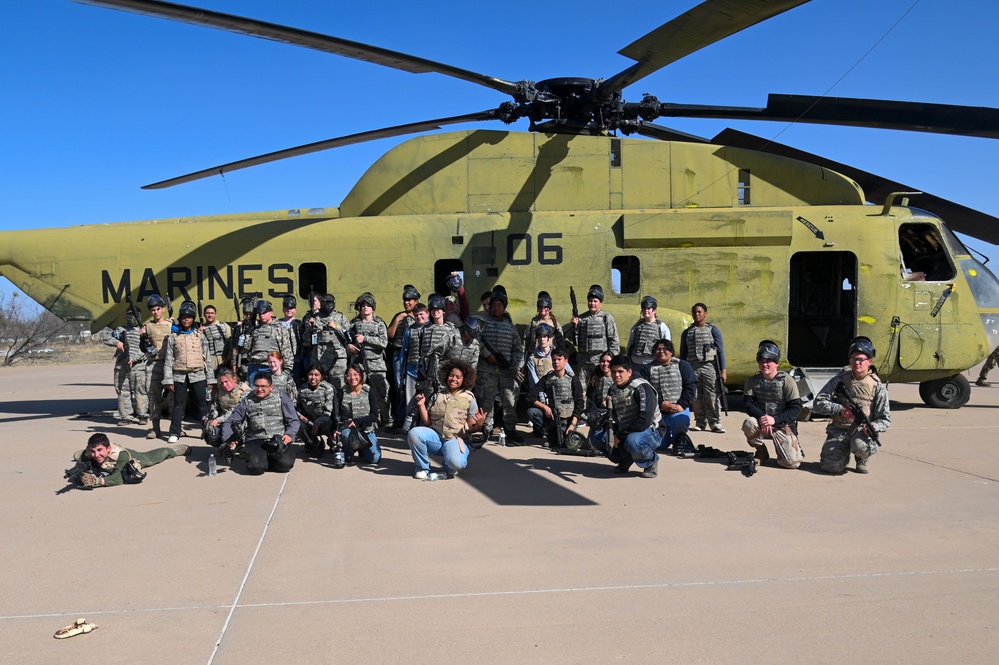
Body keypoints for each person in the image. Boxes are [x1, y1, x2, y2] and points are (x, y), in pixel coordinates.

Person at [814, 337, 891, 474]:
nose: (857, 363)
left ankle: (861, 458)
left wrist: (874, 426)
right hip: (839, 429)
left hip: (862, 432)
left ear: (870, 361)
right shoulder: (839, 380)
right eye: (854, 359)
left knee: (861, 446)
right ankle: (843, 455)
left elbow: (885, 419)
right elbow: (818, 403)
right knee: (830, 467)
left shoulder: (877, 385)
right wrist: (839, 409)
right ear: (849, 360)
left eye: (861, 359)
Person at [407, 358, 486, 479]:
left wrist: (479, 424)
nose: (454, 379)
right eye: (451, 375)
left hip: (455, 439)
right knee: (414, 433)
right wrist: (421, 405)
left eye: (458, 377)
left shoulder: (469, 398)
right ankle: (422, 467)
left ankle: (450, 465)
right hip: (436, 438)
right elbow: (427, 422)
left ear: (465, 379)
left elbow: (471, 429)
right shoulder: (437, 395)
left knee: (456, 464)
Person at [221, 372, 300, 474]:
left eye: (263, 386)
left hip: (278, 438)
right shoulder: (247, 400)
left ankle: (268, 458)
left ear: (271, 387)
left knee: (285, 466)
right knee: (255, 468)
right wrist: (228, 439)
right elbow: (232, 420)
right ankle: (260, 458)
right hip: (256, 439)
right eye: (257, 386)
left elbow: (293, 420)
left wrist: (289, 434)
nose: (259, 389)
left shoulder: (281, 397)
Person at [741, 340, 804, 468]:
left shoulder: (787, 381)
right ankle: (761, 451)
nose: (764, 364)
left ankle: (790, 449)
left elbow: (796, 409)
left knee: (791, 464)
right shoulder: (752, 381)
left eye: (768, 361)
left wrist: (775, 420)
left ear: (776, 363)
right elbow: (748, 404)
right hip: (763, 423)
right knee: (749, 424)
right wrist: (762, 418)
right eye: (761, 361)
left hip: (782, 424)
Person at [597, 355, 662, 478]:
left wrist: (619, 436)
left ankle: (650, 462)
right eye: (614, 372)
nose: (617, 375)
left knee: (633, 441)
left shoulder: (642, 388)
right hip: (626, 428)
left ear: (629, 372)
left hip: (651, 430)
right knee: (597, 436)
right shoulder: (613, 389)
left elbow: (645, 421)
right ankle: (626, 458)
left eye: (621, 371)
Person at [475, 289, 525, 443]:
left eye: (499, 305)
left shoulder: (510, 327)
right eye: (494, 305)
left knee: (509, 401)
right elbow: (476, 340)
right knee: (486, 400)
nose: (496, 308)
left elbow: (518, 348)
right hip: (487, 370)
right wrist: (486, 354)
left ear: (504, 307)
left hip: (506, 371)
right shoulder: (483, 323)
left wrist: (515, 366)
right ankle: (487, 429)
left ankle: (510, 429)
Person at [163, 301, 214, 443]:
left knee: (202, 404)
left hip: (198, 374)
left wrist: (210, 379)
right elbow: (168, 359)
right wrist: (168, 379)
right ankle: (175, 432)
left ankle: (207, 430)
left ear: (193, 319)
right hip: (179, 375)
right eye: (184, 317)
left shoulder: (200, 336)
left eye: (189, 317)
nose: (186, 319)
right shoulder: (173, 337)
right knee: (179, 405)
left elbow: (207, 358)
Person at [67, 433, 188, 489]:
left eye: (100, 450)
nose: (96, 454)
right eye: (93, 451)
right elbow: (79, 469)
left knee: (152, 458)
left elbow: (118, 479)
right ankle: (82, 455)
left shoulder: (121, 455)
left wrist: (96, 481)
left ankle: (175, 450)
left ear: (108, 448)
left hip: (132, 458)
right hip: (105, 462)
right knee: (85, 459)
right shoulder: (89, 452)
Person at [640, 338, 696, 453]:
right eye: (658, 349)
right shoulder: (647, 369)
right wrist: (660, 404)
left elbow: (690, 387)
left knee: (679, 422)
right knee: (659, 445)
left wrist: (681, 405)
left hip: (677, 410)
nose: (661, 352)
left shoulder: (682, 365)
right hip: (657, 413)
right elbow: (644, 391)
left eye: (665, 349)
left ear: (671, 352)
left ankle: (678, 439)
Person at [679, 302, 727, 433]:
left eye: (699, 312)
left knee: (712, 395)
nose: (697, 314)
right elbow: (683, 353)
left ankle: (715, 422)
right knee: (695, 396)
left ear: (705, 313)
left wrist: (723, 371)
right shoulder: (687, 332)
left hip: (709, 366)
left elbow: (720, 351)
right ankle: (700, 422)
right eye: (694, 312)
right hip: (692, 367)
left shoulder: (713, 330)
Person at [527, 347, 585, 448]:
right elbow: (530, 396)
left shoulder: (573, 379)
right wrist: (545, 407)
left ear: (566, 361)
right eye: (554, 359)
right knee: (532, 412)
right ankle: (549, 434)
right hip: (552, 418)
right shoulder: (547, 378)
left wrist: (572, 424)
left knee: (567, 443)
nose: (556, 362)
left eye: (559, 359)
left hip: (568, 420)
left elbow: (580, 404)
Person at [564, 284, 619, 387]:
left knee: (601, 388)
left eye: (595, 301)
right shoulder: (581, 319)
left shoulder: (606, 318)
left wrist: (611, 359)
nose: (592, 303)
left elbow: (614, 340)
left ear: (600, 303)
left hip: (600, 362)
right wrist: (573, 326)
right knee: (582, 389)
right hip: (583, 361)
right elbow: (571, 337)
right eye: (590, 301)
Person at [348, 292, 390, 426]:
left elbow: (384, 342)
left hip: (376, 363)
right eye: (363, 305)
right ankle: (368, 420)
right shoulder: (354, 323)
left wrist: (365, 338)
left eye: (368, 305)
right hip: (359, 364)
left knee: (382, 394)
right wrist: (349, 346)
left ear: (373, 308)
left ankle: (387, 420)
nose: (365, 308)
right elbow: (347, 338)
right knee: (361, 393)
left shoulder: (379, 323)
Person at [106, 306, 147, 425]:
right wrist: (117, 342)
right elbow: (106, 337)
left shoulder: (143, 329)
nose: (132, 318)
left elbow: (146, 347)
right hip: (122, 365)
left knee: (140, 391)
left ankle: (143, 415)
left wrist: (134, 358)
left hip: (138, 365)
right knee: (123, 391)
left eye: (134, 315)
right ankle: (126, 416)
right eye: (129, 315)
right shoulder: (121, 329)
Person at [143, 294, 174, 440]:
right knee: (153, 397)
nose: (155, 312)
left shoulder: (171, 325)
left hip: (170, 364)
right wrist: (142, 336)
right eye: (153, 310)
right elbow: (142, 347)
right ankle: (155, 428)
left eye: (158, 309)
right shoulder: (147, 327)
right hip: (154, 364)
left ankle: (175, 428)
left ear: (163, 309)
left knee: (174, 397)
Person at [387, 285, 420, 425]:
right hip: (399, 354)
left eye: (410, 300)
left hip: (414, 355)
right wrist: (398, 319)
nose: (407, 303)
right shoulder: (399, 316)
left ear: (416, 301)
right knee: (400, 387)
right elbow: (390, 334)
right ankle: (400, 417)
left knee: (414, 387)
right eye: (405, 300)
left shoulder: (421, 316)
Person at [337, 364, 382, 465]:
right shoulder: (342, 392)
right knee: (345, 436)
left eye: (356, 374)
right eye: (349, 375)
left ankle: (362, 449)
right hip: (348, 430)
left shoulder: (369, 391)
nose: (353, 378)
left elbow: (374, 415)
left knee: (375, 459)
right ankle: (349, 452)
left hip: (366, 430)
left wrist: (356, 422)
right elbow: (336, 414)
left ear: (361, 376)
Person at [243, 299, 293, 387]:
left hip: (270, 367)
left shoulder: (279, 328)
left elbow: (286, 349)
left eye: (264, 313)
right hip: (254, 366)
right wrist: (248, 331)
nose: (262, 316)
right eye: (260, 314)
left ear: (271, 313)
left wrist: (287, 369)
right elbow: (246, 348)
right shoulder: (255, 329)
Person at [305, 294, 350, 390]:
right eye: (325, 303)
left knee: (339, 387)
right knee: (319, 388)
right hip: (318, 358)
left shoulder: (340, 317)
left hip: (337, 358)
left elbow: (349, 336)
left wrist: (336, 327)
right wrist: (310, 329)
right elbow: (306, 342)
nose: (327, 305)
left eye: (330, 303)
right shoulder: (315, 318)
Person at [204, 369, 251, 448]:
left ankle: (239, 446)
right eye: (222, 383)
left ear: (234, 379)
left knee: (229, 428)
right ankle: (223, 446)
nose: (224, 385)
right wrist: (211, 417)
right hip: (224, 417)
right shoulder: (220, 391)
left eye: (226, 382)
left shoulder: (244, 391)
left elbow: (235, 411)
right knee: (208, 426)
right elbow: (215, 407)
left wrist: (218, 420)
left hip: (241, 419)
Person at [296, 366, 336, 456]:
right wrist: (299, 415)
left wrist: (317, 423)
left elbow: (328, 412)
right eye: (310, 374)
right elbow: (294, 406)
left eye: (316, 375)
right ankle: (313, 443)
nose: (313, 377)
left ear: (321, 377)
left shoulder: (328, 389)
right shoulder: (302, 389)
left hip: (324, 421)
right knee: (296, 423)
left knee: (330, 423)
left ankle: (332, 443)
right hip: (308, 421)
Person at [627, 296, 672, 368]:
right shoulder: (636, 327)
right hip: (635, 363)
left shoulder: (662, 327)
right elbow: (630, 345)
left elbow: (668, 347)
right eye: (644, 308)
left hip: (653, 364)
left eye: (648, 308)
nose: (646, 310)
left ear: (654, 310)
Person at [584, 351, 615, 448]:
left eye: (608, 361)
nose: (605, 364)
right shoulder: (594, 379)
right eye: (603, 361)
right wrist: (602, 406)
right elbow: (591, 403)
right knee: (593, 445)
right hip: (599, 416)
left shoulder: (619, 378)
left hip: (616, 416)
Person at [278, 295, 304, 383]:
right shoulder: (277, 324)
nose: (289, 310)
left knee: (295, 381)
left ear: (295, 310)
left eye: (291, 308)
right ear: (283, 309)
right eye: (286, 308)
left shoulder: (299, 324)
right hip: (281, 359)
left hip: (296, 358)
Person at [201, 304, 231, 377]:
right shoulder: (201, 328)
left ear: (216, 314)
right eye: (207, 313)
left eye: (212, 313)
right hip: (210, 358)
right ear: (204, 315)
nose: (210, 315)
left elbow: (230, 343)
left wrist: (228, 358)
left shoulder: (223, 326)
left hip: (223, 357)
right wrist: (200, 333)